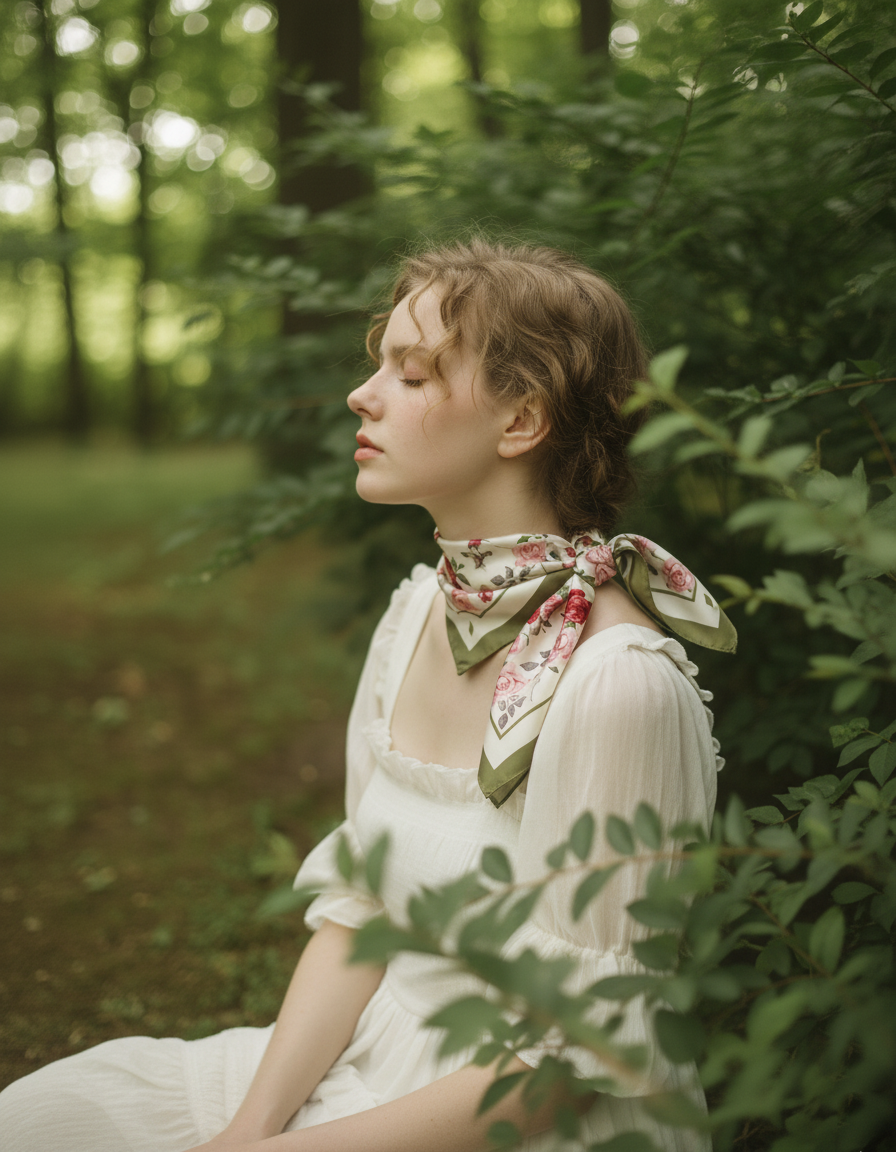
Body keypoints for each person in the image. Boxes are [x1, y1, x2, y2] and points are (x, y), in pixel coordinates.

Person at [0, 239, 735, 1151]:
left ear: (521, 421)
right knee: (43, 1118)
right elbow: (362, 918)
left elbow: (569, 1069)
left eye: (414, 372)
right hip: (369, 1068)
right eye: (377, 361)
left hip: (521, 1123)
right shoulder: (417, 614)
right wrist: (248, 1132)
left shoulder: (616, 685)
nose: (364, 393)